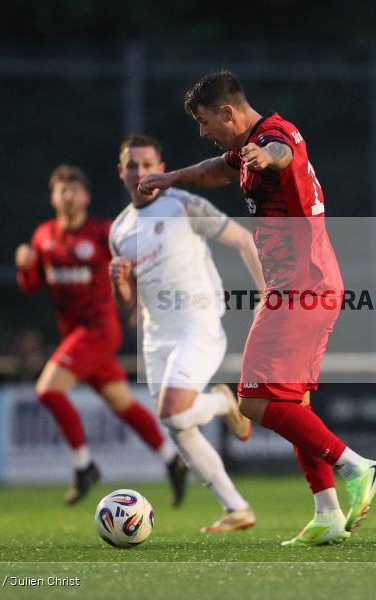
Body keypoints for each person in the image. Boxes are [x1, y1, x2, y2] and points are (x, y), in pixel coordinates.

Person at [137, 71, 376, 547]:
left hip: (301, 285)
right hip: (306, 282)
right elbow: (218, 166)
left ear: (227, 112)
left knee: (254, 402)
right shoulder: (246, 144)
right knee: (293, 404)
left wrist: (265, 156)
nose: (202, 130)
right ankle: (328, 513)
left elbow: (283, 152)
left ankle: (357, 466)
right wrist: (172, 178)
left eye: (205, 120)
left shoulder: (274, 136)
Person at [110, 133, 263, 533]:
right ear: (121, 171)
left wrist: (267, 295)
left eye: (147, 164)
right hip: (156, 338)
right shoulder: (119, 231)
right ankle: (237, 508)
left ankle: (221, 403)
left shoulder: (183, 204)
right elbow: (128, 307)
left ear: (160, 168)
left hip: (198, 325)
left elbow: (244, 240)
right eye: (132, 165)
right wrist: (120, 284)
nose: (140, 172)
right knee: (177, 427)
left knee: (173, 413)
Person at [15, 164, 187, 507]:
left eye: (75, 189)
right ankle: (173, 460)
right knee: (122, 404)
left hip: (99, 331)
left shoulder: (101, 233)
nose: (69, 195)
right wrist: (24, 266)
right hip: (75, 335)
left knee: (48, 390)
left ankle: (84, 466)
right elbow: (32, 286)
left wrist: (139, 299)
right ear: (53, 197)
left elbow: (135, 263)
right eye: (62, 189)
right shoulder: (43, 236)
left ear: (85, 197)